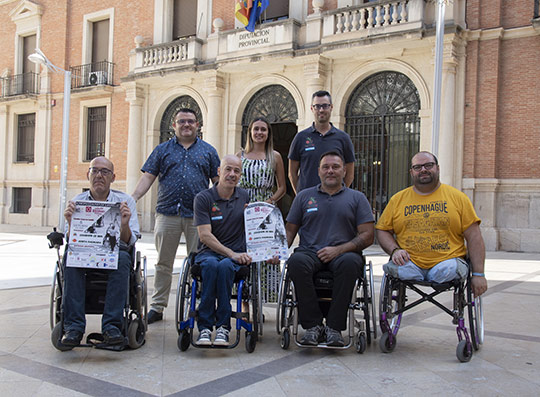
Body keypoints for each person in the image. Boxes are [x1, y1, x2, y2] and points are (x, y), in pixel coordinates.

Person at [132, 108, 220, 324]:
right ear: (174, 125)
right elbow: (148, 176)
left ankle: (197, 304)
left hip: (198, 217)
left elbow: (218, 182)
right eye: (182, 121)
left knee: (198, 263)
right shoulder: (162, 150)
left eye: (190, 121)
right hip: (167, 213)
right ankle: (157, 306)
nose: (186, 125)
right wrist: (132, 197)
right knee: (163, 263)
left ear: (198, 125)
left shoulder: (208, 151)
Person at [285, 151, 374, 346]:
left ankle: (334, 328)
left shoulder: (357, 198)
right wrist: (275, 252)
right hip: (309, 251)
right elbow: (289, 232)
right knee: (296, 262)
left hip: (345, 253)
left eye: (335, 167)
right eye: (326, 167)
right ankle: (313, 326)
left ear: (344, 171)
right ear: (319, 171)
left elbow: (368, 234)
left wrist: (340, 250)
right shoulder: (304, 197)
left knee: (351, 263)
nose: (330, 171)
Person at [376, 151, 488, 298]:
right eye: (418, 167)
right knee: (394, 269)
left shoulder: (458, 198)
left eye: (428, 165)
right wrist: (395, 250)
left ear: (438, 168)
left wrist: (479, 274)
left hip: (447, 264)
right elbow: (383, 230)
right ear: (411, 172)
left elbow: (474, 236)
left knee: (448, 270)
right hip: (409, 264)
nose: (423, 170)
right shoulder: (398, 199)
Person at [62, 156, 140, 347]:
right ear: (88, 174)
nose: (99, 175)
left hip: (115, 253)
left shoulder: (125, 201)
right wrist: (71, 222)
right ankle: (73, 327)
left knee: (122, 258)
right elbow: (70, 239)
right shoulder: (77, 202)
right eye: (95, 170)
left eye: (104, 172)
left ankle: (112, 326)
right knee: (70, 257)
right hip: (85, 252)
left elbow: (129, 241)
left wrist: (124, 224)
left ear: (113, 178)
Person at [192, 155, 251, 346]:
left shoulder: (244, 197)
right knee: (210, 265)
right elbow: (204, 236)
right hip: (208, 253)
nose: (232, 174)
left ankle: (223, 327)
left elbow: (255, 228)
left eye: (236, 171)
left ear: (240, 174)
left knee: (225, 266)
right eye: (228, 169)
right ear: (219, 171)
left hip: (235, 256)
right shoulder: (203, 198)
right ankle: (205, 327)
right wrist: (231, 253)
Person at [288, 90, 355, 194]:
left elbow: (350, 173)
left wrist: (340, 194)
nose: (321, 110)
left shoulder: (343, 138)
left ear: (331, 107)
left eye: (325, 106)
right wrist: (300, 195)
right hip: (308, 201)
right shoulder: (300, 137)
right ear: (312, 108)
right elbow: (292, 173)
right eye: (317, 106)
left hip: (334, 200)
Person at [236, 117, 286, 204]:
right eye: (256, 129)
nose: (259, 132)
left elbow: (282, 188)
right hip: (243, 205)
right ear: (250, 132)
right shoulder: (240, 156)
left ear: (268, 133)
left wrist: (269, 201)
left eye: (263, 129)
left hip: (266, 207)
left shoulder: (275, 156)